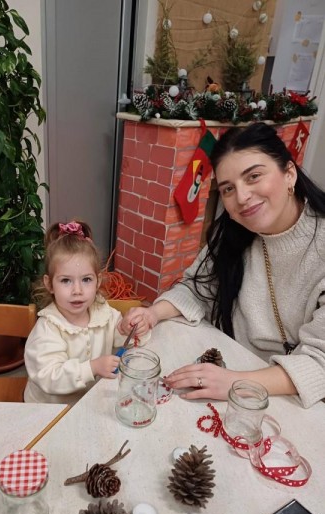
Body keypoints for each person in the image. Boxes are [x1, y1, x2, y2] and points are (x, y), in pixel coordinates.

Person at [122, 122, 325, 409]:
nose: (242, 197)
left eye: (254, 176)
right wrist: (152, 313)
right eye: (228, 189)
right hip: (229, 367)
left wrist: (234, 382)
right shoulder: (235, 234)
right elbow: (197, 287)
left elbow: (320, 363)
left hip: (286, 396)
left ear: (289, 173)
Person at [24, 221, 148, 404]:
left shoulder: (103, 311)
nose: (77, 290)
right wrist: (92, 368)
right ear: (49, 284)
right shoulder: (48, 328)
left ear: (98, 281)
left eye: (86, 280)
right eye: (66, 281)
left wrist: (130, 328)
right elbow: (49, 377)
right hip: (51, 408)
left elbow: (125, 342)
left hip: (89, 401)